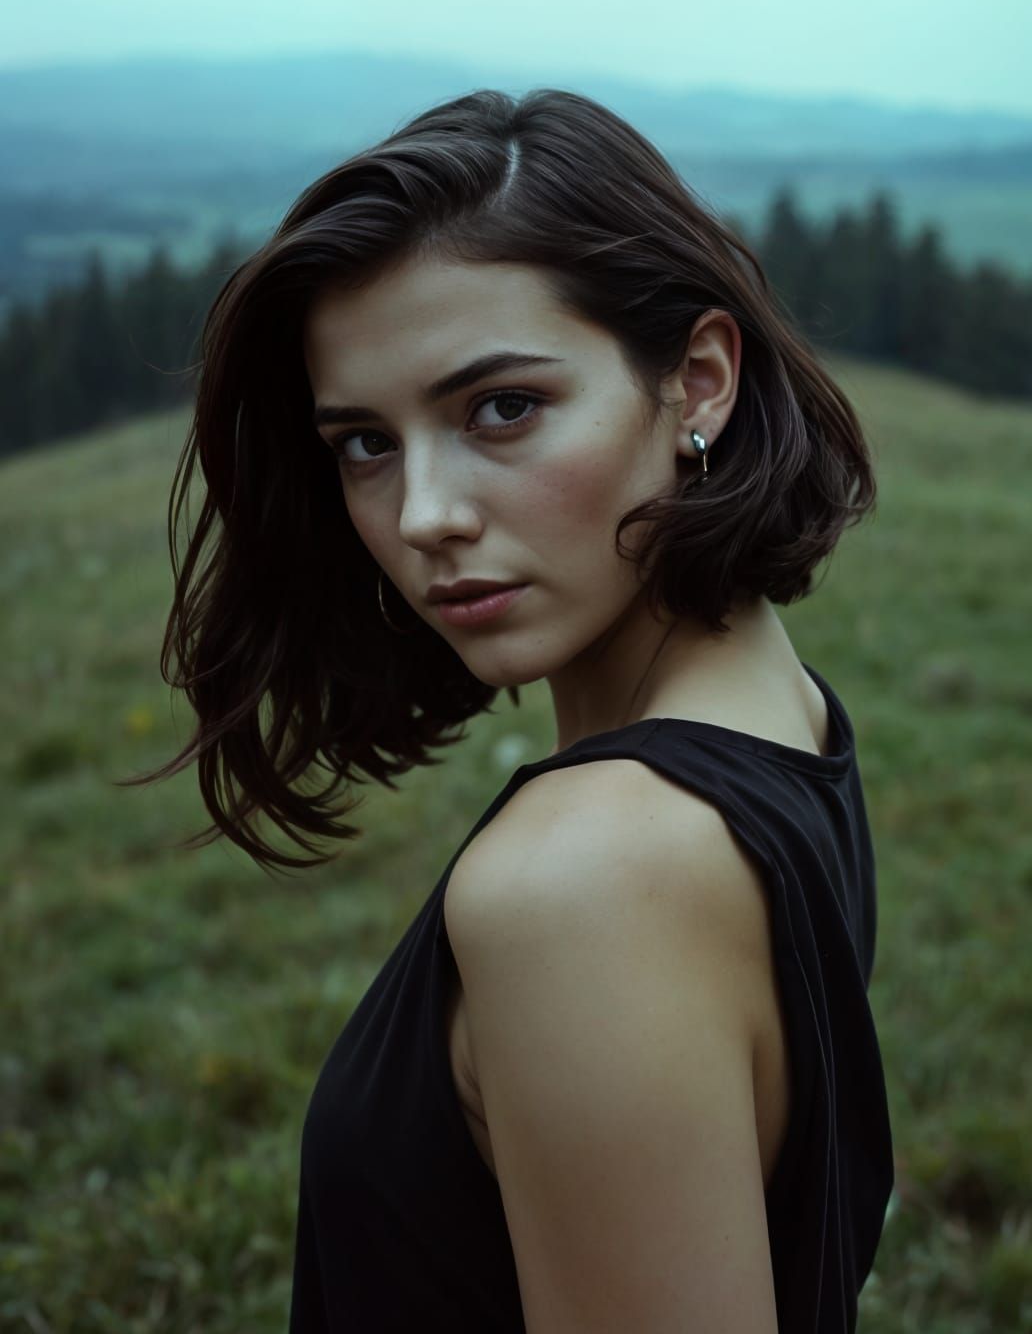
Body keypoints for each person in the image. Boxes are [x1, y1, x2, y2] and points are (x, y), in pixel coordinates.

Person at [133, 87, 894, 1332]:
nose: (423, 513)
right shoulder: (782, 714)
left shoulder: (585, 880)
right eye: (364, 444)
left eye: (502, 408)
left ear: (697, 381)